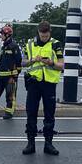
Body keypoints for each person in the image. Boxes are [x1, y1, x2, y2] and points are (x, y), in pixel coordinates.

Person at [22, 20, 62, 156]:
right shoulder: (29, 44)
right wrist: (32, 60)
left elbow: (62, 65)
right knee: (31, 112)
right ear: (38, 32)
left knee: (49, 113)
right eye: (42, 35)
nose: (44, 38)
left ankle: (48, 144)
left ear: (50, 33)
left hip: (49, 83)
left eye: (46, 36)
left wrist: (51, 62)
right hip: (34, 82)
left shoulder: (56, 44)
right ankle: (30, 143)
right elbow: (22, 62)